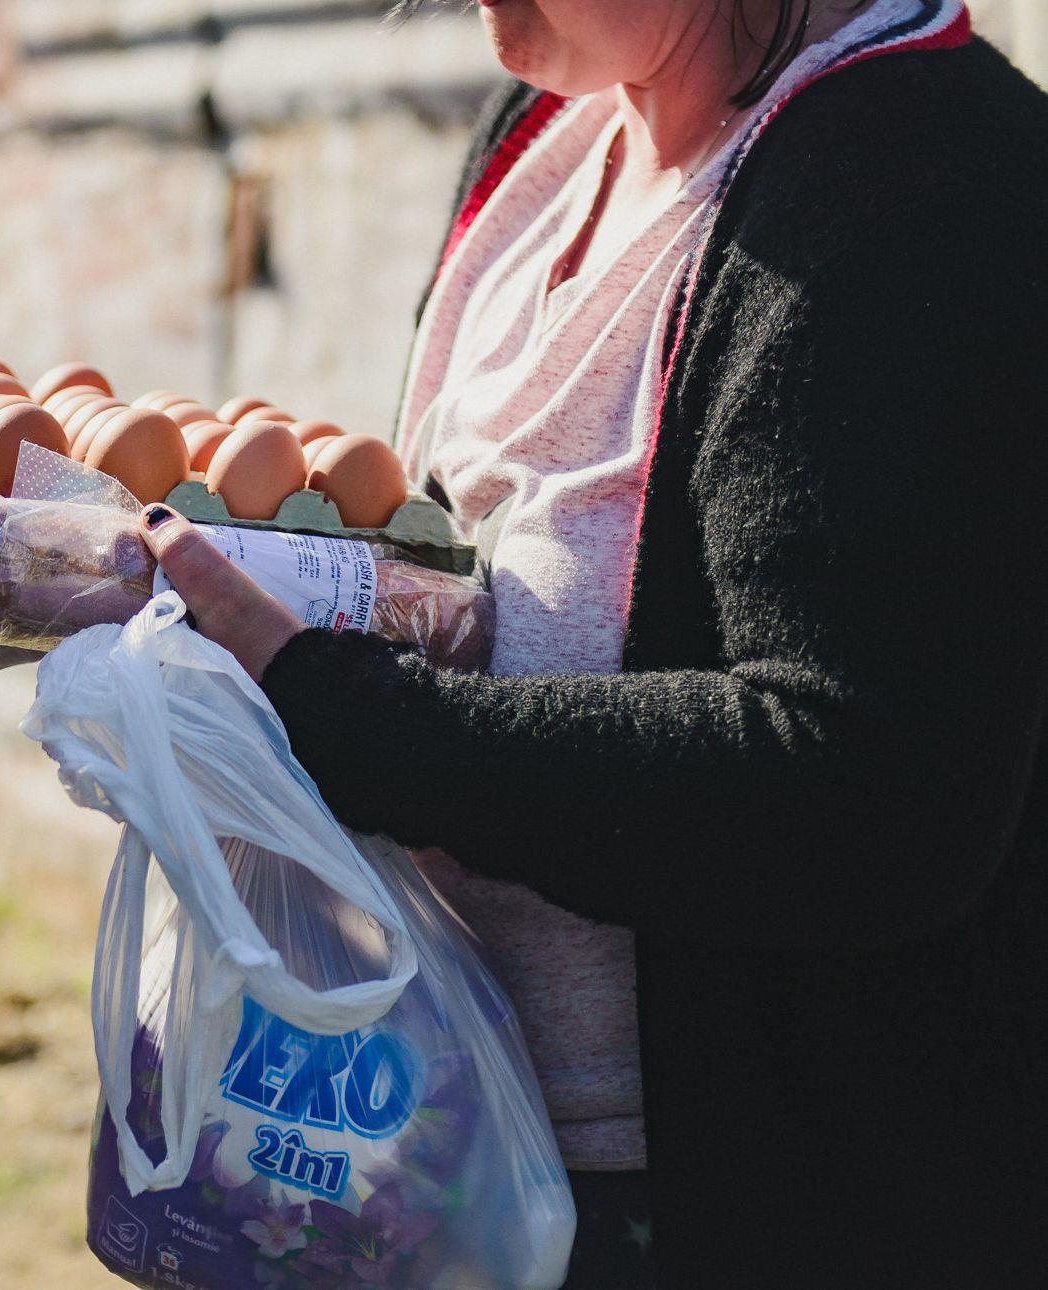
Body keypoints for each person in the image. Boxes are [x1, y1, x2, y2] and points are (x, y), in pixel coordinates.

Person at [141, 0, 1048, 1285]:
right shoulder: (550, 129)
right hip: (455, 1143)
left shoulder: (933, 194)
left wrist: (338, 713)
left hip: (754, 1197)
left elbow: (865, 788)